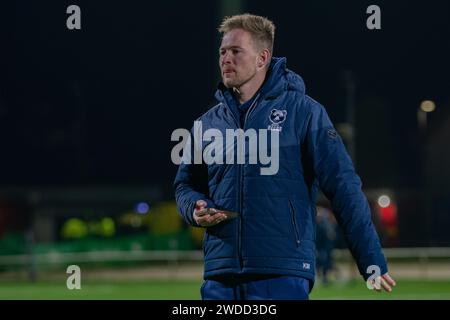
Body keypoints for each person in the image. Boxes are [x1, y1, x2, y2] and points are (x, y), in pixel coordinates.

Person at [174, 13, 395, 300]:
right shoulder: (207, 123)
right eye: (223, 52)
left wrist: (371, 260)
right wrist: (193, 207)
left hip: (282, 273)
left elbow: (344, 188)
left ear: (262, 58)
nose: (226, 58)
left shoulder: (304, 113)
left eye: (236, 51)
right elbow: (184, 185)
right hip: (220, 275)